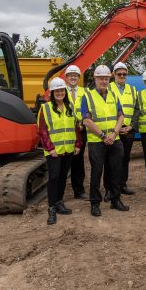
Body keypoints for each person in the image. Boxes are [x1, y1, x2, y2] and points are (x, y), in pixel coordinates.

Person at [79, 65, 129, 216]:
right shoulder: (87, 97)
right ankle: (95, 203)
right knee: (96, 172)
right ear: (95, 79)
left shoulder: (114, 95)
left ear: (110, 79)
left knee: (115, 171)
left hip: (114, 139)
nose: (104, 81)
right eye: (101, 78)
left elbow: (121, 115)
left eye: (106, 78)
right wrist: (102, 136)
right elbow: (86, 120)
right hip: (97, 141)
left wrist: (114, 134)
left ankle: (115, 200)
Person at [39, 77, 81, 225]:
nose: (60, 93)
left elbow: (76, 127)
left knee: (63, 177)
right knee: (54, 178)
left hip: (68, 149)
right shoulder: (46, 108)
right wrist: (50, 149)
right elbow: (43, 131)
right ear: (52, 92)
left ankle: (59, 202)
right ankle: (51, 208)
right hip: (54, 151)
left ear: (65, 91)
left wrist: (77, 144)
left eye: (62, 90)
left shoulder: (70, 107)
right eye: (57, 91)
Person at [108, 62, 137, 196]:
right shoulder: (108, 88)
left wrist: (131, 126)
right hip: (113, 131)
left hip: (128, 131)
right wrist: (115, 129)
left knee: (125, 159)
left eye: (124, 74)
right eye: (119, 74)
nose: (122, 76)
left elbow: (137, 110)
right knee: (110, 160)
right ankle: (109, 189)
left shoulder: (132, 90)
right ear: (114, 75)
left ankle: (122, 185)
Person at [64, 64, 88, 200]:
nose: (73, 77)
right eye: (70, 75)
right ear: (66, 77)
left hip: (81, 130)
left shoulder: (85, 92)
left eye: (75, 75)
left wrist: (84, 123)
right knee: (66, 160)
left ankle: (78, 190)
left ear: (79, 77)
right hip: (66, 131)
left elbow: (88, 110)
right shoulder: (61, 91)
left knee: (78, 161)